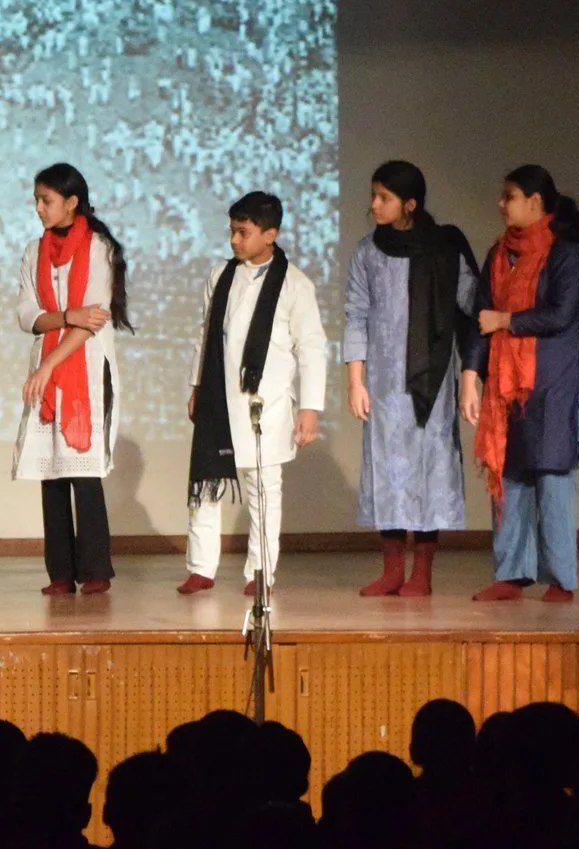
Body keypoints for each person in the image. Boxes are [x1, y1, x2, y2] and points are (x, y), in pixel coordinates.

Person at [180, 191, 327, 596]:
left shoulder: (295, 284)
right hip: (218, 396)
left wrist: (310, 408)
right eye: (232, 230)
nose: (234, 240)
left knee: (263, 489)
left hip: (266, 402)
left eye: (243, 232)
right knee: (206, 484)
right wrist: (197, 386)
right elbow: (205, 336)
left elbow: (311, 347)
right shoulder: (221, 275)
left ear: (270, 234)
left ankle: (261, 571)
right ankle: (201, 567)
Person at [342, 159, 477, 598]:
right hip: (383, 385)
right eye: (373, 196)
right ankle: (392, 570)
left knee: (428, 471)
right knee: (388, 470)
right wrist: (356, 381)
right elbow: (356, 316)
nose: (374, 204)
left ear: (410, 204)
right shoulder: (368, 252)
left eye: (384, 197)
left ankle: (422, 572)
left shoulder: (443, 249)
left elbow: (471, 304)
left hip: (432, 380)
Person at [469, 164, 579, 602]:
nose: (501, 204)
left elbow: (561, 315)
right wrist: (470, 373)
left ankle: (560, 578)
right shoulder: (500, 253)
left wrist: (507, 320)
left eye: (510, 196)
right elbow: (481, 316)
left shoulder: (567, 253)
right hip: (506, 382)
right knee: (511, 473)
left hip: (554, 379)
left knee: (553, 476)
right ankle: (511, 573)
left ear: (535, 202)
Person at [15, 163, 131, 595]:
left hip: (86, 369)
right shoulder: (34, 252)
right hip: (48, 367)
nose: (38, 208)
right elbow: (28, 315)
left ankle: (96, 569)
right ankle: (60, 573)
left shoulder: (99, 248)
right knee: (52, 471)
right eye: (36, 200)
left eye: (46, 200)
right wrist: (66, 316)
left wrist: (50, 363)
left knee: (84, 472)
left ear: (71, 202)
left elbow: (93, 320)